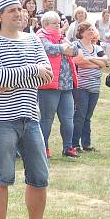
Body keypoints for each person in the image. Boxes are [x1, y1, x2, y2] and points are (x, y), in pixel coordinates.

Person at [0, 0, 61, 219]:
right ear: (0, 16)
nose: (19, 13)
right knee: (2, 175)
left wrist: (20, 76)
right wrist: (31, 71)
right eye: (13, 9)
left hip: (30, 117)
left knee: (39, 176)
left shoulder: (33, 40)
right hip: (2, 119)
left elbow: (47, 74)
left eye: (20, 9)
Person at [37, 11, 80, 159]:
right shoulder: (40, 37)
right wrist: (62, 48)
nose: (58, 25)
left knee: (68, 119)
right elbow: (49, 49)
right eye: (54, 23)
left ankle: (68, 147)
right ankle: (44, 148)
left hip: (66, 85)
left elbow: (74, 51)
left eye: (58, 23)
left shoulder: (61, 37)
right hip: (49, 86)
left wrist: (64, 48)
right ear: (45, 25)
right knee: (46, 119)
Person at [72, 23, 107, 152]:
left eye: (92, 29)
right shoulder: (76, 45)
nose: (91, 31)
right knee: (80, 115)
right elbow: (79, 61)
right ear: (81, 32)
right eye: (88, 29)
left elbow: (105, 61)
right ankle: (74, 144)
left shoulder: (97, 47)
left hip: (95, 87)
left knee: (88, 116)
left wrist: (90, 59)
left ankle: (86, 144)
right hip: (81, 86)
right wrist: (97, 64)